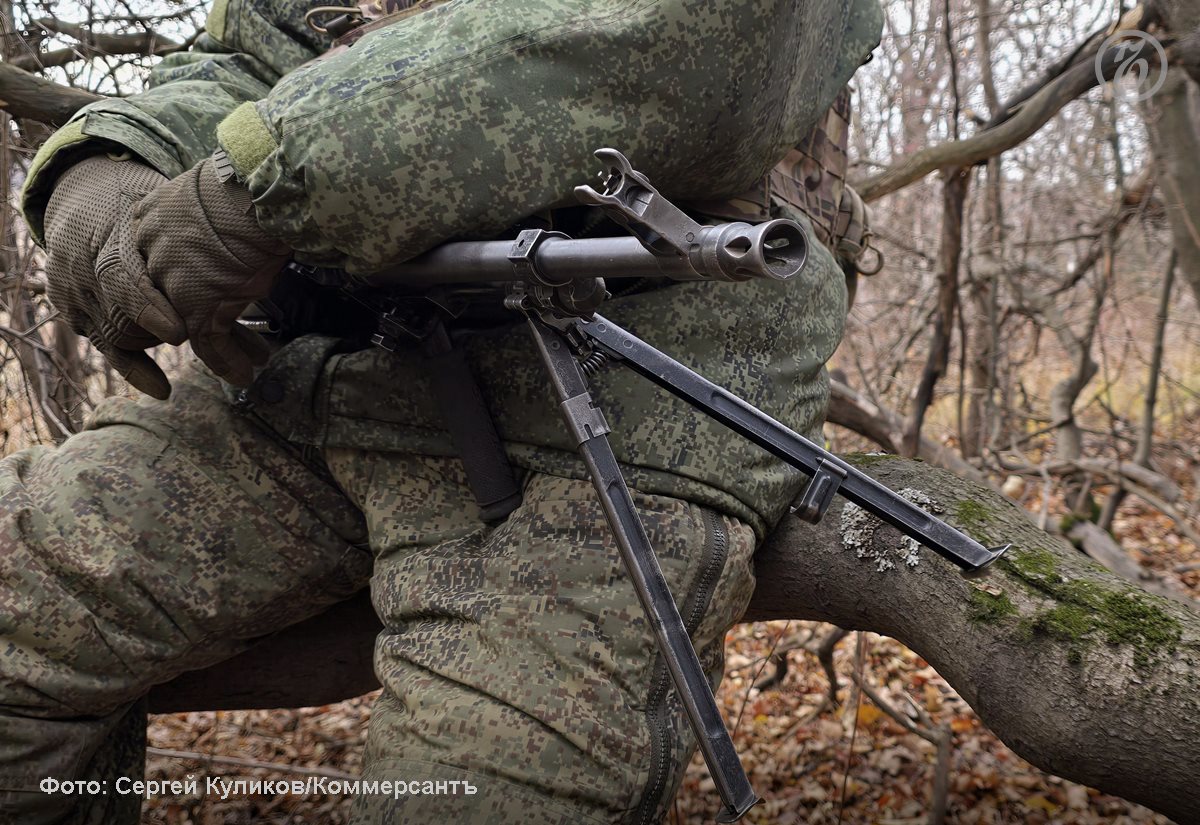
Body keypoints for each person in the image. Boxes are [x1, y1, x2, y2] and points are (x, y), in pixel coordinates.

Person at [1, 0, 882, 822]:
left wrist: (269, 182)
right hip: (319, 369)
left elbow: (690, 42)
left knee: (472, 794)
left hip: (625, 393)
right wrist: (112, 164)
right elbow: (259, 48)